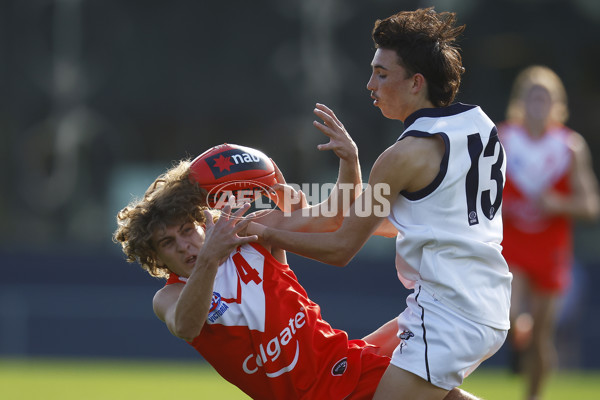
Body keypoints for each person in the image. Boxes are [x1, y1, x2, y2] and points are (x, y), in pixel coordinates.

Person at [246, 7, 511, 400]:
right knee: (353, 369)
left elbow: (341, 248)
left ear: (416, 82)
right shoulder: (480, 126)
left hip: (449, 311)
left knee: (356, 389)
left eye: (382, 74)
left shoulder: (401, 157)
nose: (370, 84)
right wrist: (350, 162)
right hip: (483, 303)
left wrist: (261, 232)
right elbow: (377, 219)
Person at [112, 130, 479, 399]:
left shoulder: (251, 233)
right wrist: (209, 258)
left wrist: (348, 162)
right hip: (315, 391)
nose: (184, 245)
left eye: (186, 230)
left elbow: (335, 216)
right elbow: (187, 327)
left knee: (446, 393)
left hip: (340, 369)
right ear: (154, 257)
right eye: (167, 243)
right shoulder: (171, 296)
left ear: (200, 220)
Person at [498, 65, 600, 400]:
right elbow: (477, 192)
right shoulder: (502, 138)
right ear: (520, 101)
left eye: (545, 97)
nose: (538, 104)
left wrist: (556, 203)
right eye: (532, 96)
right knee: (509, 312)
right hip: (512, 241)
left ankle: (533, 396)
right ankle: (517, 333)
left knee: (543, 336)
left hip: (551, 246)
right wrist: (503, 206)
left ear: (558, 103)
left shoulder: (570, 147)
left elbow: (590, 205)